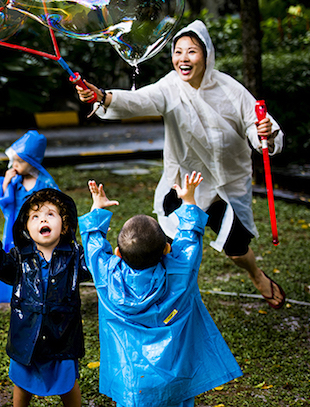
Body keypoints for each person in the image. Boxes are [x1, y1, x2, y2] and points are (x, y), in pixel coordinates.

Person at [76, 19, 286, 309]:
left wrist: (265, 133)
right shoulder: (169, 87)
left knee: (237, 252)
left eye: (192, 51)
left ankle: (257, 275)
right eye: (178, 51)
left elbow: (256, 126)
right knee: (169, 248)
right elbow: (138, 100)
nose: (183, 59)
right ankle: (163, 298)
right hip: (185, 183)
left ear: (206, 55)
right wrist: (102, 96)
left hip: (227, 183)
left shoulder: (230, 90)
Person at [79, 173, 242, 406]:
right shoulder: (181, 275)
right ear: (167, 248)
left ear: (117, 253)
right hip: (177, 377)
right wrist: (189, 200)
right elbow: (190, 239)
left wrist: (97, 209)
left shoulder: (107, 278)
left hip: (132, 381)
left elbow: (93, 247)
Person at [0, 188, 90, 407]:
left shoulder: (75, 256)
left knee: (67, 379)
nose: (42, 220)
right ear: (27, 228)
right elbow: (3, 268)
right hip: (27, 333)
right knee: (22, 379)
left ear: (64, 225)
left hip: (62, 334)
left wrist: (97, 239)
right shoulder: (21, 257)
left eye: (50, 215)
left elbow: (93, 266)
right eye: (35, 217)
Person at [0, 130, 59, 303]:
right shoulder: (15, 182)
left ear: (32, 162)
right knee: (16, 258)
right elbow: (5, 201)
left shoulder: (45, 183)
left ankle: (40, 292)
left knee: (39, 257)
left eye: (20, 161)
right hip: (16, 228)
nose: (15, 164)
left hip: (38, 230)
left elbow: (57, 205)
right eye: (14, 160)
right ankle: (18, 293)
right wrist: (6, 182)